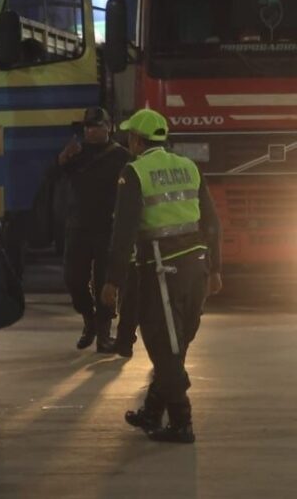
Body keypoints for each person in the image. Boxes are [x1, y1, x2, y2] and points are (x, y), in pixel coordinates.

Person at [101, 108, 222, 444]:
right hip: (195, 269)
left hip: (161, 270)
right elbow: (211, 224)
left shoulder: (135, 172)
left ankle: (182, 422)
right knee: (177, 342)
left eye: (130, 136)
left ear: (138, 140)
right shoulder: (190, 168)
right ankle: (153, 411)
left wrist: (112, 280)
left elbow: (123, 232)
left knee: (162, 345)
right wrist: (216, 269)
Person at [52, 107, 131, 354]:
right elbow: (53, 181)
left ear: (109, 128)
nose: (91, 131)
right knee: (74, 279)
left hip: (108, 227)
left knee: (105, 284)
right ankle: (89, 318)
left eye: (96, 126)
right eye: (87, 127)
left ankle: (104, 332)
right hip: (78, 226)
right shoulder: (75, 154)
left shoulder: (122, 157)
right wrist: (61, 161)